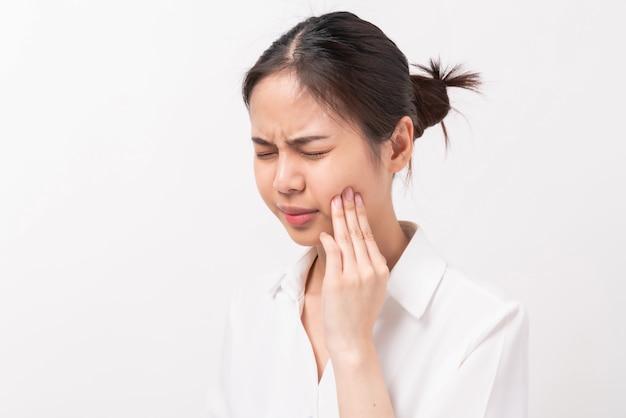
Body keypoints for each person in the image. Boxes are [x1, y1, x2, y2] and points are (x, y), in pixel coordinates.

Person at [207, 10, 528, 418]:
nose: (284, 180)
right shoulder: (252, 309)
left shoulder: (482, 326)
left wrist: (354, 349)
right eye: (265, 152)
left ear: (397, 146)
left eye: (312, 151)